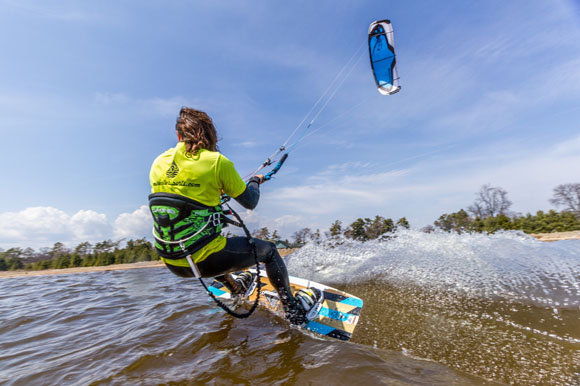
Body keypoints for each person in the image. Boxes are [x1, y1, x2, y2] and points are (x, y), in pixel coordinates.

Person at [149, 107, 320, 324]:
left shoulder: (158, 163)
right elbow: (250, 202)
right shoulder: (217, 162)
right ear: (211, 135)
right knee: (269, 251)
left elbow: (181, 195)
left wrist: (213, 191)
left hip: (174, 263)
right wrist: (255, 181)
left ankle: (237, 290)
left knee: (204, 241)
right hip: (204, 262)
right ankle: (293, 310)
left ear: (178, 135)